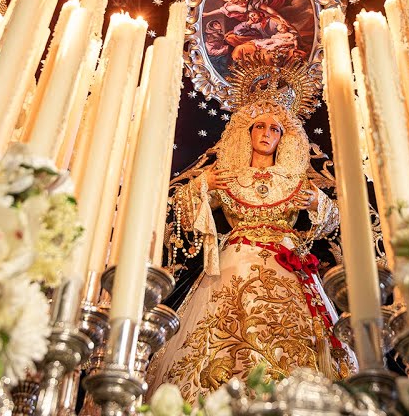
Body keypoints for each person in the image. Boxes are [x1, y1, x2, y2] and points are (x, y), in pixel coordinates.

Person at [148, 57, 349, 399]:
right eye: (260, 127)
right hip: (234, 262)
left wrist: (318, 205)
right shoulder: (226, 175)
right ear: (248, 132)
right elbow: (181, 213)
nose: (267, 133)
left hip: (288, 262)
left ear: (284, 137)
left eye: (275, 129)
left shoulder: (296, 180)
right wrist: (202, 186)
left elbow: (335, 220)